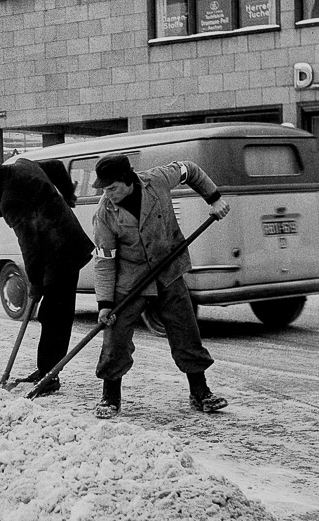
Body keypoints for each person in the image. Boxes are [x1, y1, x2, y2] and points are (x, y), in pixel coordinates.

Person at [91, 153, 231, 419]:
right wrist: (105, 304)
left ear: (127, 180)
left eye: (112, 188)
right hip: (130, 280)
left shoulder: (157, 179)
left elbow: (190, 169)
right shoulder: (105, 214)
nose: (107, 195)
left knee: (185, 330)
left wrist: (214, 198)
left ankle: (200, 392)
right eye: (104, 190)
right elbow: (104, 261)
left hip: (168, 269)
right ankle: (110, 397)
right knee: (116, 338)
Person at [0, 150, 94, 394]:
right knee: (53, 314)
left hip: (60, 253)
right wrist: (68, 195)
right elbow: (55, 165)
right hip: (65, 244)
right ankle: (47, 371)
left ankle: (49, 376)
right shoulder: (21, 164)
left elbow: (29, 244)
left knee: (54, 315)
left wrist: (34, 282)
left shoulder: (11, 198)